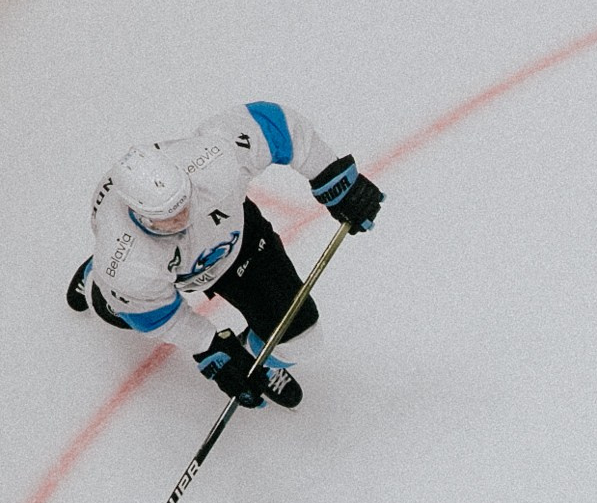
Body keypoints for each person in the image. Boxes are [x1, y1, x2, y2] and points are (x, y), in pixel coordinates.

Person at [69, 102, 385, 411]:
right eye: (168, 217)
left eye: (184, 202)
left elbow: (276, 125)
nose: (183, 218)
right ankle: (93, 277)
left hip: (241, 244)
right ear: (139, 215)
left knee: (303, 339)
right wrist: (209, 347)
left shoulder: (212, 158)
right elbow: (160, 319)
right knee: (113, 310)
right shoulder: (123, 263)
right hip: (158, 274)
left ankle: (254, 358)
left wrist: (334, 180)